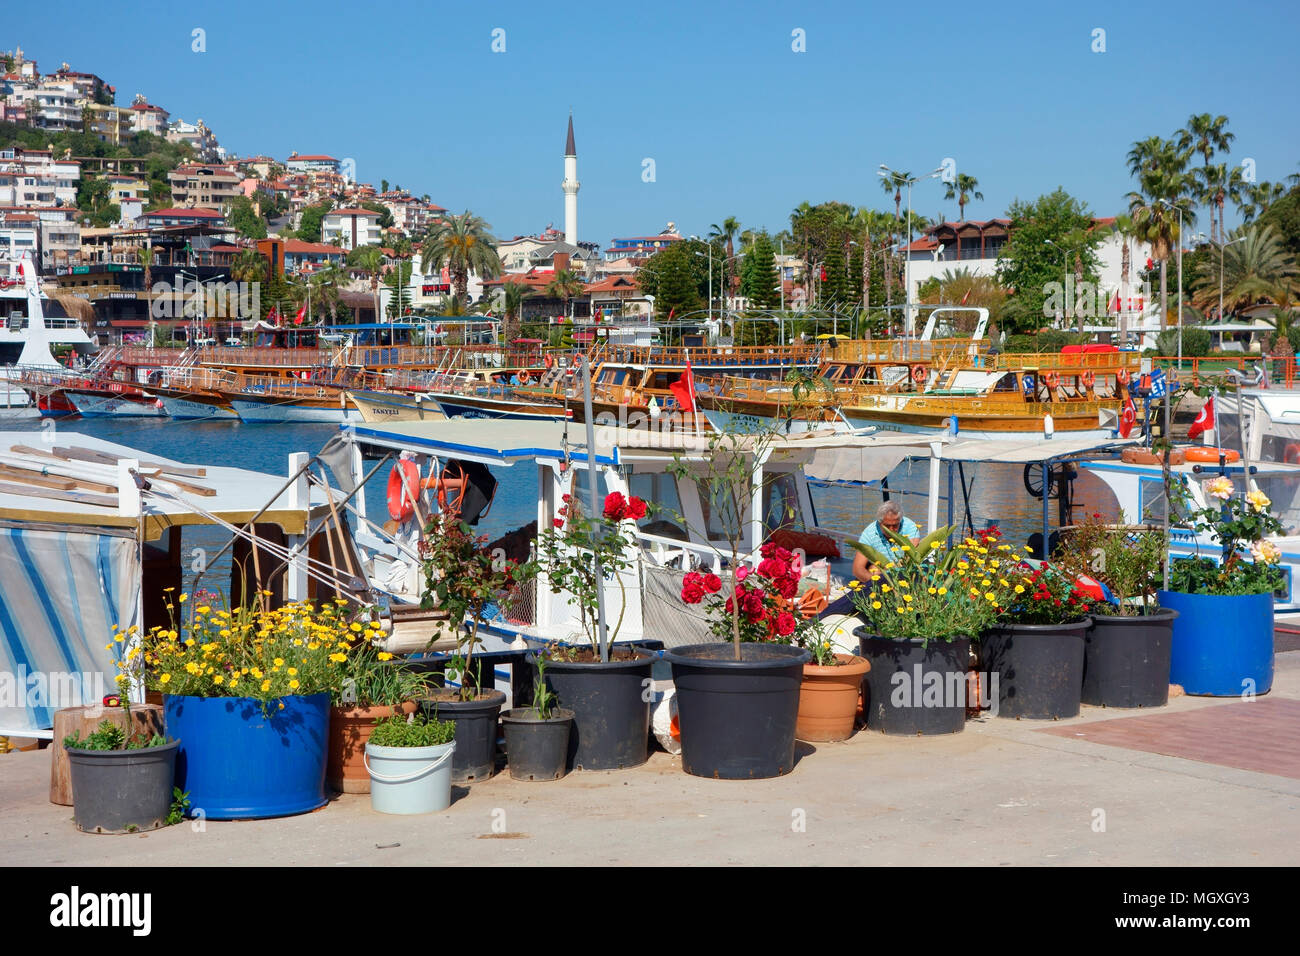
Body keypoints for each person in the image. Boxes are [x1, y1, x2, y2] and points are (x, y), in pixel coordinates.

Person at [853, 500, 919, 583]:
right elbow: (857, 569)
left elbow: (910, 559)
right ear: (879, 522)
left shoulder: (910, 527)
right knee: (874, 569)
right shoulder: (869, 533)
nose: (891, 530)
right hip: (882, 574)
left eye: (895, 525)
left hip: (905, 572)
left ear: (900, 520)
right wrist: (876, 584)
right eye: (887, 526)